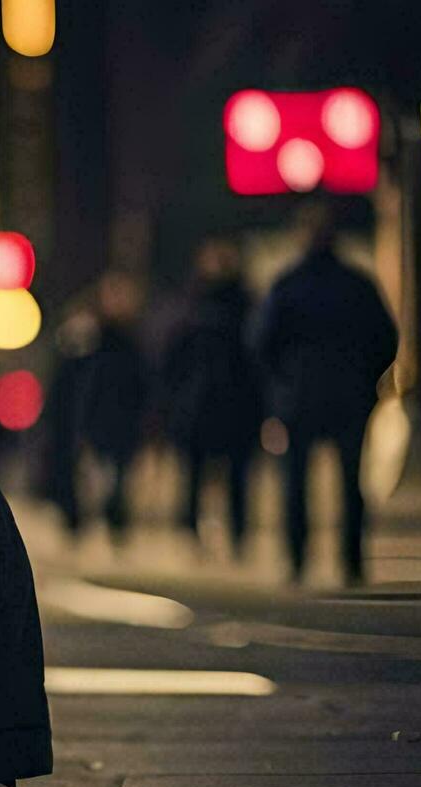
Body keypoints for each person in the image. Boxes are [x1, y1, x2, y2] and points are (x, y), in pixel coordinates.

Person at [252, 205, 397, 585]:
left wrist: (281, 383)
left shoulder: (287, 285)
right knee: (351, 482)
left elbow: (262, 343)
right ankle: (351, 561)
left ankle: (298, 559)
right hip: (349, 395)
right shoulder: (357, 284)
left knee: (295, 482)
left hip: (298, 397)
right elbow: (385, 339)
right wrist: (367, 381)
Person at [162, 239, 262, 555]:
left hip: (224, 406)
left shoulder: (220, 306)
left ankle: (234, 537)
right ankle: (198, 535)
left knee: (232, 478)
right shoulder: (198, 307)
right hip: (208, 407)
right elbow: (173, 360)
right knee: (200, 477)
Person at [74, 271, 150, 538]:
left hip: (126, 421)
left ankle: (117, 527)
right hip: (98, 420)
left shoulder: (136, 341)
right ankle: (92, 524)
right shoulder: (91, 339)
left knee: (120, 480)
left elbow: (144, 383)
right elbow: (81, 383)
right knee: (96, 479)